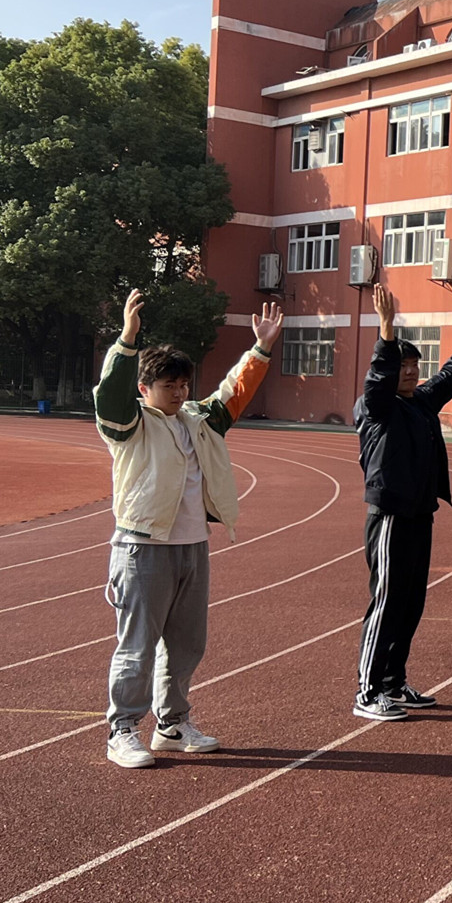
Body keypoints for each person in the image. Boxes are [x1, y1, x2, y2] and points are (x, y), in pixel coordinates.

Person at [95, 289, 282, 767]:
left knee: (186, 645)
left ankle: (172, 725)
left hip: (193, 545)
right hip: (143, 547)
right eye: (168, 386)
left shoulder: (199, 419)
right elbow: (110, 395)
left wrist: (260, 348)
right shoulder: (131, 424)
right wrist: (127, 340)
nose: (178, 393)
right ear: (145, 389)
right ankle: (122, 730)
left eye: (182, 384)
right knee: (138, 645)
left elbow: (233, 393)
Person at [352, 286, 452, 722]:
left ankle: (393, 683)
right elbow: (378, 379)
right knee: (387, 602)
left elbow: (451, 375)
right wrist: (386, 330)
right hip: (390, 516)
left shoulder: (420, 402)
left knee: (410, 603)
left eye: (414, 365)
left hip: (420, 514)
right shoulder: (377, 406)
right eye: (402, 365)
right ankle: (367, 692)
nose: (410, 372)